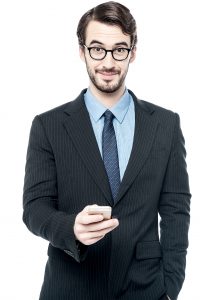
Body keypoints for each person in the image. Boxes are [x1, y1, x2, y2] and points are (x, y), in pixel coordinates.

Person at [22, 1, 191, 300]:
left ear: (133, 52)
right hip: (70, 287)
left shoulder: (166, 124)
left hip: (146, 290)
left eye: (119, 50)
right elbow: (35, 208)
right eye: (97, 49)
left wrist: (171, 286)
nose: (108, 62)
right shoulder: (48, 126)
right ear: (82, 50)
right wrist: (71, 228)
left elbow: (177, 210)